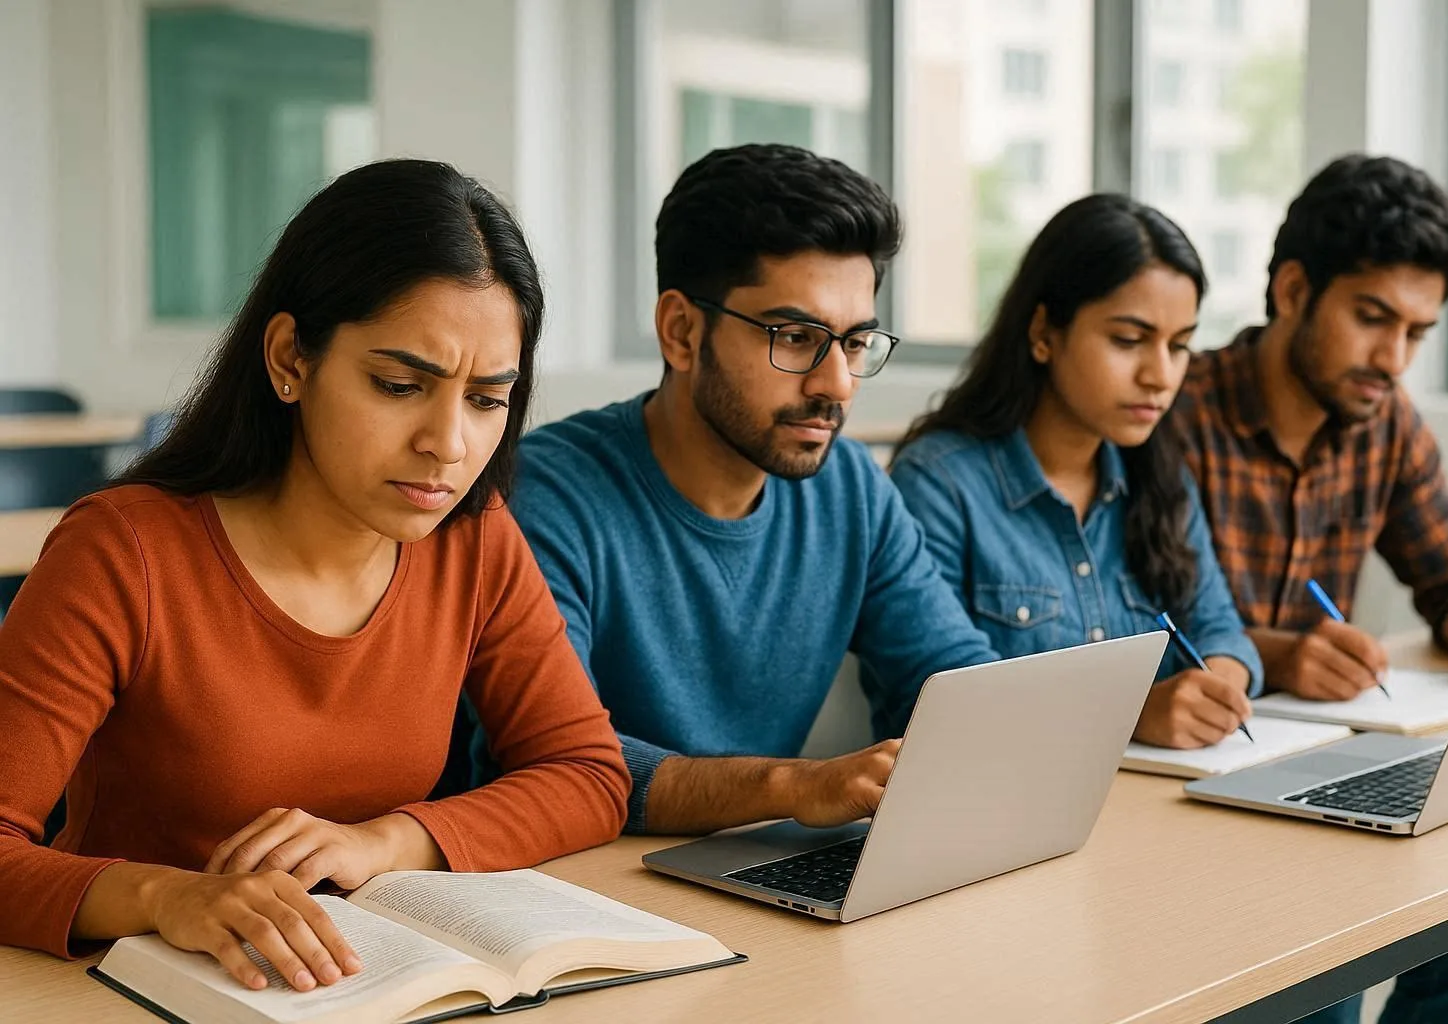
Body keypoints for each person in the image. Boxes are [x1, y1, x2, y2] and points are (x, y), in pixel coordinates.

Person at [0, 159, 630, 991]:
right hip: (139, 994)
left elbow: (587, 774)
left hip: (367, 983)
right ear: (290, 357)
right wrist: (164, 896)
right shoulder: (123, 553)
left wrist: (382, 840)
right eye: (401, 385)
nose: (448, 443)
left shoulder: (474, 540)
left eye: (487, 399)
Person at [473, 143, 997, 835]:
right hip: (583, 883)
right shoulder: (547, 498)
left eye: (856, 341)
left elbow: (951, 677)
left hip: (747, 867)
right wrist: (791, 784)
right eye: (796, 336)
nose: (836, 383)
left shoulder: (850, 488)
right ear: (682, 332)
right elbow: (556, 760)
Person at [1171, 153, 1448, 1023]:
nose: (1394, 358)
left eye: (1417, 332)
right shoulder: (1175, 413)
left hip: (1326, 765)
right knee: (1322, 989)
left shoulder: (1384, 422)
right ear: (1294, 290)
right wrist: (1274, 652)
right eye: (1374, 319)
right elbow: (1132, 629)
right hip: (1195, 788)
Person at [887, 194, 1260, 750]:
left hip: (1147, 805)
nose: (1161, 375)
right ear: (1044, 332)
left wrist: (1218, 685)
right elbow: (941, 700)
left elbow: (1221, 630)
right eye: (1128, 340)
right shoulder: (939, 483)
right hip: (990, 816)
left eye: (1180, 346)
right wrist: (1127, 714)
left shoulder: (1158, 475)